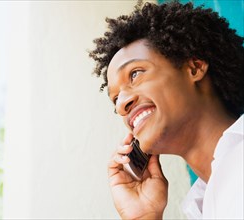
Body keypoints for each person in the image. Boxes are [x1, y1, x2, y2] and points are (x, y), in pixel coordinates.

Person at [89, 1, 244, 219]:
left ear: (195, 67)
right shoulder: (202, 204)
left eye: (135, 74)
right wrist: (144, 216)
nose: (121, 105)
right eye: (115, 98)